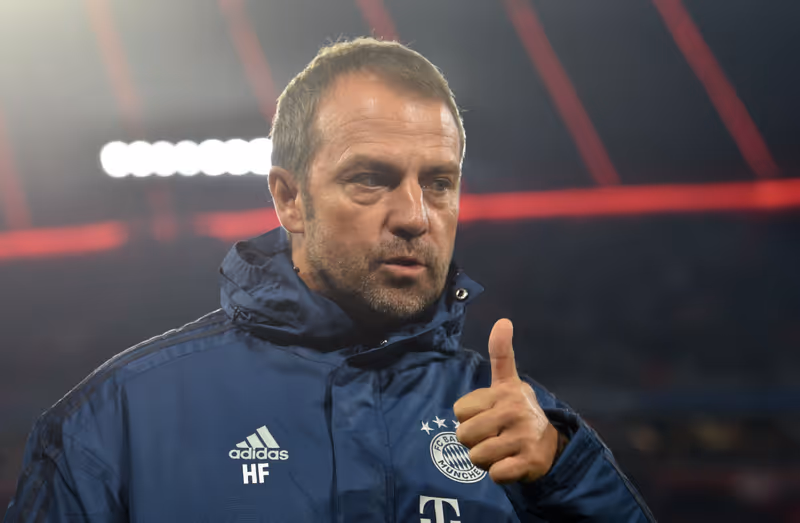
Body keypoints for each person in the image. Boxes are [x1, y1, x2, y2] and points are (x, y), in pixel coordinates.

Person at [4, 37, 654, 522]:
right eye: (370, 178)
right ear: (289, 199)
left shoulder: (518, 427)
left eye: (439, 182)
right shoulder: (116, 421)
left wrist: (565, 473)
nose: (415, 216)